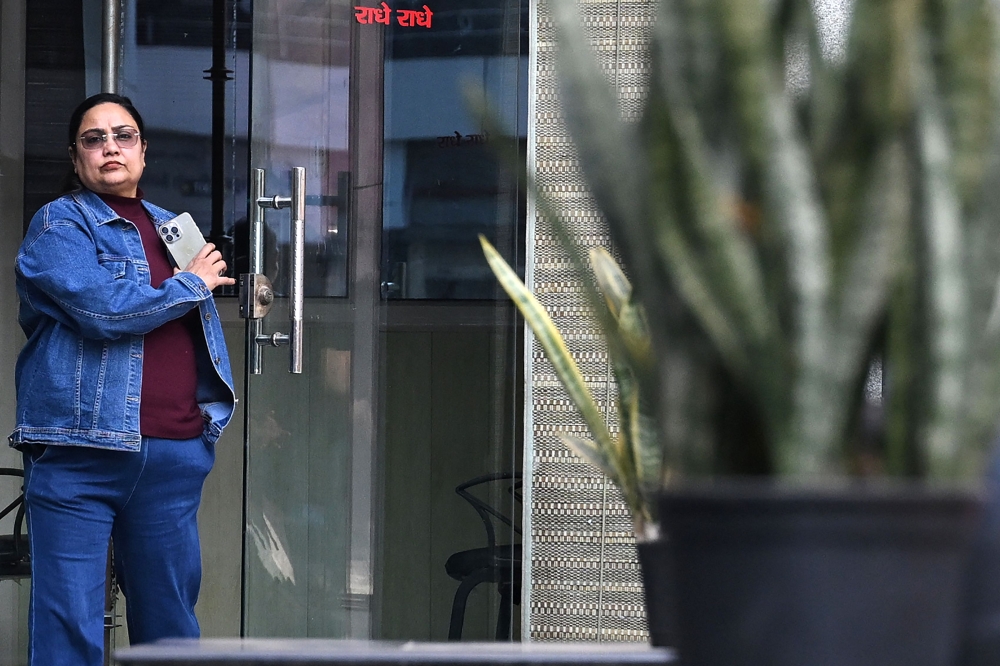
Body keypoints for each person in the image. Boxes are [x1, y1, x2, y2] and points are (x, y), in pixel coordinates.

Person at [9, 92, 236, 665]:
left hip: (173, 454)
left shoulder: (172, 228)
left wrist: (203, 426)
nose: (110, 146)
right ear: (75, 154)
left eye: (124, 134)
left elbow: (200, 325)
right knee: (69, 630)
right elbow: (104, 310)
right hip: (81, 454)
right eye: (94, 138)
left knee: (171, 631)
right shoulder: (59, 223)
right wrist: (190, 284)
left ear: (142, 149)